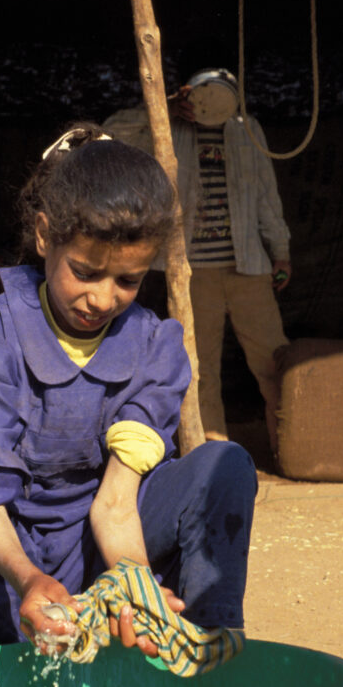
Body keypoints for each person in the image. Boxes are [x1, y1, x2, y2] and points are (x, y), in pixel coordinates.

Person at [0, 125, 257, 669]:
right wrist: (27, 578)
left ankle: (206, 654)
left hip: (100, 544)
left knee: (226, 464)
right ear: (46, 237)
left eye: (127, 281)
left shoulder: (156, 345)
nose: (102, 298)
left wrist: (133, 582)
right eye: (85, 272)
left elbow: (117, 503)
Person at [105, 68, 291, 455]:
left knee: (274, 361)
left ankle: (289, 447)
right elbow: (111, 134)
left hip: (249, 267)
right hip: (192, 272)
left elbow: (266, 196)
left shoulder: (248, 128)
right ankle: (212, 457)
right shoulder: (168, 126)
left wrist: (281, 252)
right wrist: (165, 108)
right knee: (199, 368)